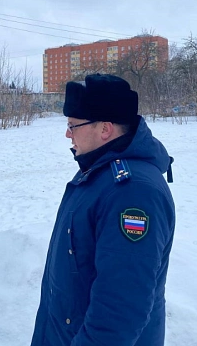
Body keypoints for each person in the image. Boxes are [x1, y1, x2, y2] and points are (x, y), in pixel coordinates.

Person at [31, 74, 175, 346]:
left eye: (73, 125)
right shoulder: (98, 172)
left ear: (105, 129)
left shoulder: (132, 193)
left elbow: (121, 307)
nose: (67, 134)